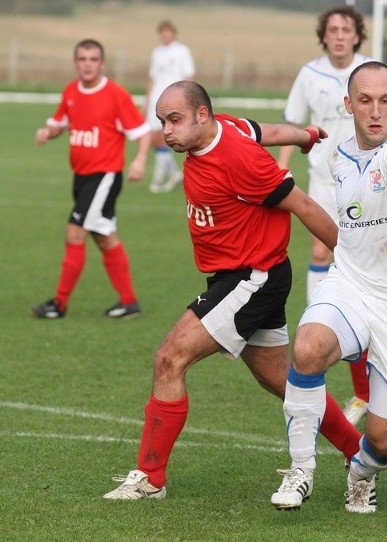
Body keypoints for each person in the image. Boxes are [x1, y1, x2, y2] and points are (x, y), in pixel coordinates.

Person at [103, 80, 362, 500]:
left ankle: (151, 478)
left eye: (174, 120)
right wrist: (308, 136)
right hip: (247, 275)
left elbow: (305, 207)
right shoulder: (226, 128)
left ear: (202, 115)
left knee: (169, 360)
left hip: (251, 278)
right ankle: (357, 451)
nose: (166, 131)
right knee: (283, 381)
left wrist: (355, 264)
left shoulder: (240, 159)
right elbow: (269, 131)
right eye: (161, 121)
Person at [271, 61, 387, 514]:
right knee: (308, 348)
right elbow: (347, 226)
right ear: (348, 104)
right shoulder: (338, 155)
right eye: (364, 100)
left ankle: (362, 473)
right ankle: (300, 469)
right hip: (349, 284)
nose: (375, 111)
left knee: (386, 440)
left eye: (386, 100)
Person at [276, 4, 371, 426]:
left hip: (366, 181)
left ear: (356, 35)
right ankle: (322, 319)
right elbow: (292, 124)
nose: (338, 35)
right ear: (324, 35)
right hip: (322, 179)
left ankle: (367, 381)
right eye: (331, 29)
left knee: (362, 263)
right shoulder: (309, 74)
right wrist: (280, 168)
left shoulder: (370, 70)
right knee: (320, 250)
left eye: (345, 29)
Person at [32, 39, 151, 320]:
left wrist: (140, 160)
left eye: (93, 59)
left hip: (104, 176)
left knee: (75, 232)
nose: (87, 63)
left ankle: (58, 304)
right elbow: (59, 124)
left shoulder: (116, 95)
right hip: (82, 178)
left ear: (102, 63)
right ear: (76, 63)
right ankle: (129, 302)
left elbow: (143, 132)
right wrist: (46, 133)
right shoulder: (71, 92)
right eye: (82, 58)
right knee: (104, 237)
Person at [145, 20, 195, 193]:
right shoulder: (157, 52)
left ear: (173, 33)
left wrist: (189, 100)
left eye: (168, 32)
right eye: (163, 32)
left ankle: (158, 180)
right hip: (155, 101)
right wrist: (146, 102)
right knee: (153, 138)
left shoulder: (182, 51)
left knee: (164, 137)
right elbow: (152, 79)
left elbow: (189, 76)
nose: (165, 35)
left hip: (173, 100)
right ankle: (173, 173)